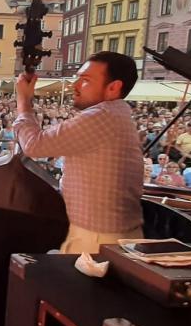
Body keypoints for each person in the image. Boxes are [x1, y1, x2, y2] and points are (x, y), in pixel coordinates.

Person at [13, 51, 145, 254]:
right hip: (106, 237)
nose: (75, 86)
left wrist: (23, 102)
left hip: (97, 241)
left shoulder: (103, 115)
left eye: (85, 80)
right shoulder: (117, 114)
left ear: (113, 87)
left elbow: (34, 145)